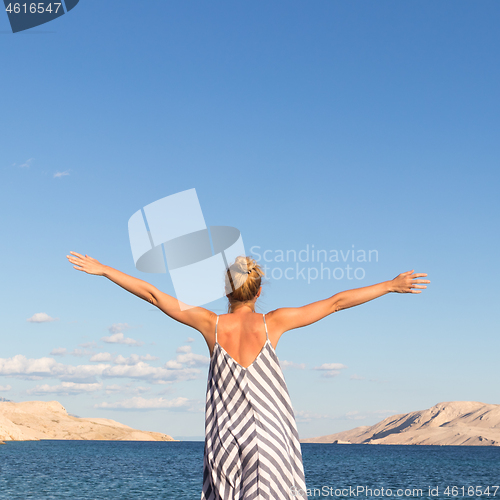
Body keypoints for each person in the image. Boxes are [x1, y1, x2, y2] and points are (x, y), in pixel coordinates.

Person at [66, 251, 430, 499]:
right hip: (270, 440)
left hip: (224, 439)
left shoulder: (210, 324)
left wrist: (105, 269)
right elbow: (335, 302)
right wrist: (389, 285)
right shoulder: (275, 322)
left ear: (227, 291)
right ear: (258, 291)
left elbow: (153, 295)